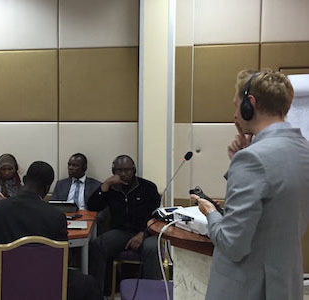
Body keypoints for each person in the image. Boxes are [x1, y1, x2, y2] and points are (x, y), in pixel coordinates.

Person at [191, 70, 309, 300]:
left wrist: (211, 213)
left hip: (247, 288)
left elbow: (232, 244)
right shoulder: (303, 150)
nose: (235, 114)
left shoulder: (252, 160)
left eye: (237, 105)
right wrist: (242, 157)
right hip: (285, 282)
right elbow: (274, 201)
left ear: (250, 103)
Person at [0, 161, 103, 300]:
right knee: (89, 284)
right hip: (47, 281)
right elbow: (64, 258)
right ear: (47, 188)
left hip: (9, 280)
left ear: (24, 180)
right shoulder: (56, 216)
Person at [87, 155, 162, 293]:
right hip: (121, 232)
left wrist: (143, 233)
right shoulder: (111, 188)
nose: (123, 174)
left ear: (134, 170)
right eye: (118, 170)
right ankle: (97, 292)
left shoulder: (148, 187)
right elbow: (92, 206)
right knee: (97, 245)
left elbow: (157, 216)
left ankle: (153, 293)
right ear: (113, 171)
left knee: (152, 248)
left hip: (146, 232)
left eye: (127, 170)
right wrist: (106, 185)